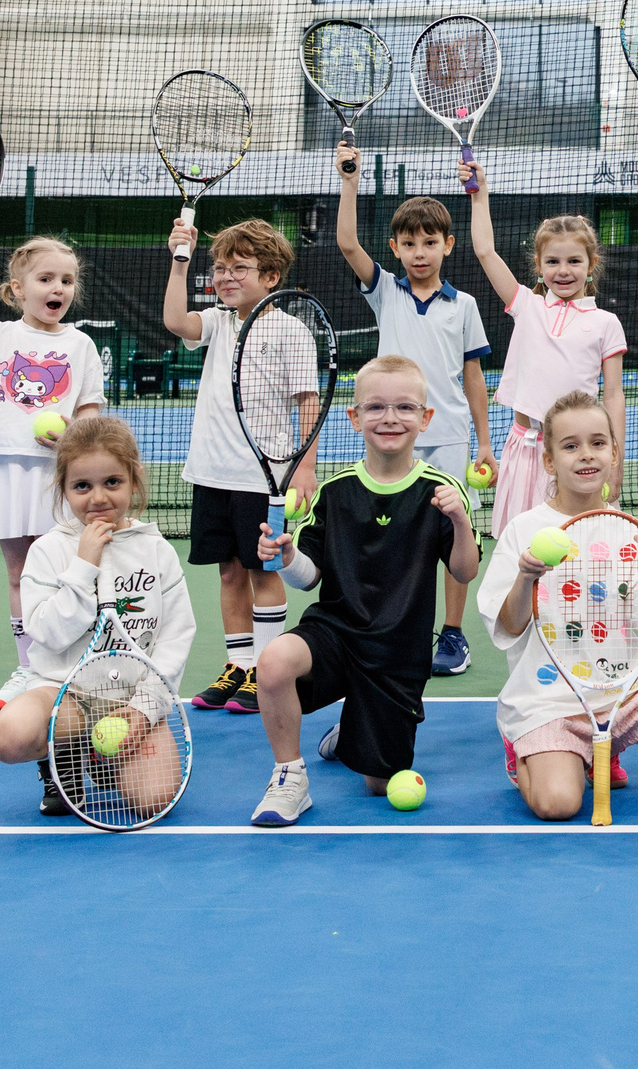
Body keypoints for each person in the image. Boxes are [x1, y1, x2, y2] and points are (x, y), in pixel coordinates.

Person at [478, 390, 638, 820]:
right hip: (549, 699)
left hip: (625, 688)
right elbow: (508, 627)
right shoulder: (523, 531)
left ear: (614, 453)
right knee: (558, 805)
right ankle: (524, 748)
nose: (586, 456)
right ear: (548, 459)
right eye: (570, 446)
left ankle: (605, 743)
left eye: (597, 443)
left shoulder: (629, 530)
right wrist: (525, 578)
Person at [249, 356, 480, 826]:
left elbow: (464, 571)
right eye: (375, 407)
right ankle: (290, 777)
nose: (390, 418)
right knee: (273, 662)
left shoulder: (443, 491)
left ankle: (353, 728)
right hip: (335, 632)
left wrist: (458, 519)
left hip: (397, 654)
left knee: (379, 786)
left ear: (425, 419)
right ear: (354, 419)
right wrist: (289, 558)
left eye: (404, 408)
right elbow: (311, 578)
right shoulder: (335, 492)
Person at [334, 144, 494, 678]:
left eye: (429, 242)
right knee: (383, 531)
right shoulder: (385, 292)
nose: (419, 252)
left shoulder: (465, 305)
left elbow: (473, 377)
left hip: (446, 437)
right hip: (388, 434)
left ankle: (451, 633)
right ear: (396, 248)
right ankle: (380, 622)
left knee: (452, 535)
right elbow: (347, 242)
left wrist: (485, 442)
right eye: (408, 243)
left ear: (449, 245)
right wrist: (350, 182)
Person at [0, 417, 194, 819]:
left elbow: (175, 638)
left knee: (151, 798)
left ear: (133, 480)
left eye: (112, 482)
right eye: (82, 486)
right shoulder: (48, 551)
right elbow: (46, 633)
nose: (98, 497)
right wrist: (83, 566)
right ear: (63, 489)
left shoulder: (158, 551)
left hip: (133, 699)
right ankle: (62, 756)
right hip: (65, 696)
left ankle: (105, 758)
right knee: (9, 738)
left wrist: (142, 711)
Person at [0, 236, 106, 711]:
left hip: (60, 478)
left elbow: (90, 413)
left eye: (67, 280)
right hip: (5, 470)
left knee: (72, 571)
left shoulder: (81, 344)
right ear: (17, 289)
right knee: (19, 573)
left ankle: (75, 666)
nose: (58, 288)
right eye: (46, 279)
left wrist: (74, 431)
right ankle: (29, 669)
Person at [161, 216, 313, 716]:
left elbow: (308, 403)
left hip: (264, 478)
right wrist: (180, 261)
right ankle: (240, 667)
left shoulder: (290, 331)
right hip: (210, 473)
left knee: (263, 570)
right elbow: (175, 322)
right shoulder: (217, 322)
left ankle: (268, 669)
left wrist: (304, 469)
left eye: (240, 268)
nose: (226, 277)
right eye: (220, 268)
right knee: (229, 573)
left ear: (270, 276)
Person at [459, 162, 627, 543]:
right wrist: (479, 193)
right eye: (552, 261)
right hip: (524, 448)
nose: (563, 271)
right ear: (538, 265)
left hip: (575, 453)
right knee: (519, 553)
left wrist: (615, 458)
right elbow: (485, 250)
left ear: (591, 264)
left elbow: (613, 394)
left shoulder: (605, 322)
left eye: (574, 261)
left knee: (578, 553)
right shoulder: (526, 305)